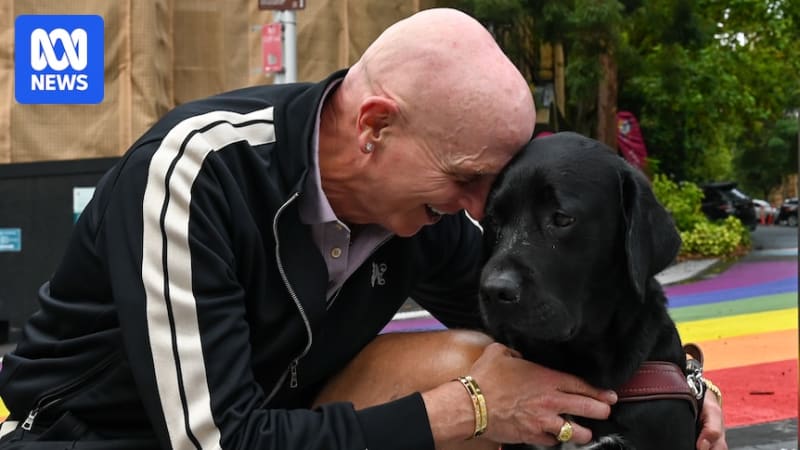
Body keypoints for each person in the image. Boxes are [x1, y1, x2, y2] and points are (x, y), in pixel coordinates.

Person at [0, 8, 726, 450]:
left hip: (286, 422)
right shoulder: (197, 174)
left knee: (495, 369)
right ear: (376, 127)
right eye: (470, 178)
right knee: (475, 393)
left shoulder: (419, 208)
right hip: (103, 436)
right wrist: (468, 409)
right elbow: (216, 441)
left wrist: (677, 382)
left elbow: (545, 332)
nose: (479, 209)